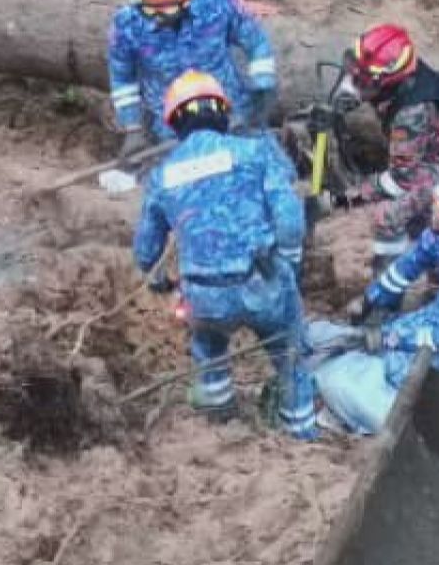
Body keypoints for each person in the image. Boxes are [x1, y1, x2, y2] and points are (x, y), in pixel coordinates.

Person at [132, 71, 318, 439]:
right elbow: (290, 216)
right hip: (261, 283)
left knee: (208, 346)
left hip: (203, 296)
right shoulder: (255, 152)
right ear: (222, 113)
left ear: (174, 123)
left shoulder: (163, 175)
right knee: (290, 353)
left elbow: (146, 250)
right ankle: (301, 432)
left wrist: (157, 278)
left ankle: (221, 422)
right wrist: (291, 263)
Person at [309, 174, 439, 434]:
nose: (432, 209)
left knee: (397, 368)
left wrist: (393, 338)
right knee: (385, 338)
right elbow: (406, 267)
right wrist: (370, 300)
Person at [329, 23, 439, 281]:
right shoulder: (404, 77)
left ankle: (388, 283)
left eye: (360, 81)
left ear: (386, 81)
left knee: (388, 215)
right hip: (424, 152)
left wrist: (353, 196)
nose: (351, 85)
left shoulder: (410, 114)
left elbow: (401, 179)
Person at [108, 0, 279, 155]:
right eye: (151, 9)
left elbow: (256, 42)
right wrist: (132, 128)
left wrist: (263, 85)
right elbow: (122, 78)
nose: (157, 17)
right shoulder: (128, 25)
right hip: (172, 128)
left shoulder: (216, 4)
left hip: (233, 116)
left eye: (166, 9)